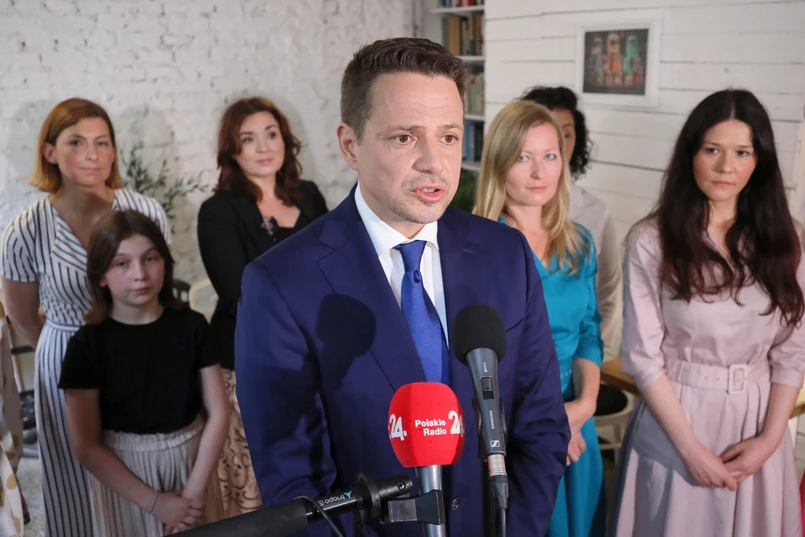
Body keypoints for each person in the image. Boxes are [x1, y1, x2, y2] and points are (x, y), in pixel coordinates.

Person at [235, 37, 570, 537]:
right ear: (350, 144)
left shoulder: (506, 255)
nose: (434, 161)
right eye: (404, 138)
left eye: (449, 137)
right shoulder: (281, 283)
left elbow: (540, 426)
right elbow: (294, 480)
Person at [611, 89, 805, 536]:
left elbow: (791, 353)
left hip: (758, 424)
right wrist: (691, 451)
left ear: (759, 161)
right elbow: (643, 357)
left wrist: (769, 441)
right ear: (691, 154)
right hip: (677, 421)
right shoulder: (651, 241)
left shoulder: (785, 241)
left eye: (742, 152)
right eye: (712, 150)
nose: (725, 167)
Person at [0, 98, 171, 537]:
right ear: (49, 151)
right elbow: (21, 313)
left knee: (144, 477)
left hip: (141, 353)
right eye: (76, 142)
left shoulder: (146, 212)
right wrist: (68, 354)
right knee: (76, 485)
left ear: (114, 152)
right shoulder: (26, 229)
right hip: (64, 360)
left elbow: (162, 290)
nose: (92, 154)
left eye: (102, 142)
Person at [475, 100, 605, 537]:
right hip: (514, 425)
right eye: (522, 157)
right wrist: (549, 424)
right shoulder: (477, 247)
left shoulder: (579, 242)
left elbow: (589, 331)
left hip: (577, 418)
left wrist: (584, 406)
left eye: (550, 156)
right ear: (498, 163)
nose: (538, 172)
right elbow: (481, 360)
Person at [59, 210, 228, 536]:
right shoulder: (86, 345)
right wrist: (155, 503)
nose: (140, 274)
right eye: (122, 263)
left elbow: (218, 412)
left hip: (193, 467)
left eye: (150, 259)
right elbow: (85, 446)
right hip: (128, 481)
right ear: (101, 275)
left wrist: (192, 497)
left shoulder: (192, 326)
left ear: (165, 263)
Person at [197, 96, 327, 517]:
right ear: (232, 150)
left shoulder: (309, 196)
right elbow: (238, 293)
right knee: (260, 477)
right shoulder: (218, 211)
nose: (264, 147)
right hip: (250, 359)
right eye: (249, 139)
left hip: (318, 352)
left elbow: (336, 269)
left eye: (271, 134)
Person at [521, 86, 621, 361]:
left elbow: (608, 295)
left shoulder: (595, 212)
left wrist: (591, 362)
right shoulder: (493, 222)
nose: (556, 145)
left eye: (565, 134)